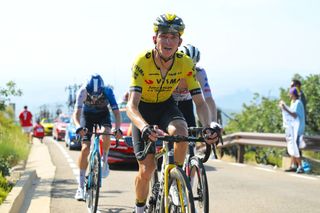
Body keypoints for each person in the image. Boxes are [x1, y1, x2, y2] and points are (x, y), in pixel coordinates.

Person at [126, 13, 220, 213]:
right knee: (147, 169)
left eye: (173, 37)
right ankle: (139, 208)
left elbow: (200, 103)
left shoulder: (185, 63)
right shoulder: (142, 61)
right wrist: (143, 127)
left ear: (179, 42)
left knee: (182, 132)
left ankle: (175, 180)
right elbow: (131, 106)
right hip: (143, 110)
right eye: (164, 36)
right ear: (155, 39)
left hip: (166, 106)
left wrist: (208, 127)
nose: (168, 41)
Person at [73, 74, 123, 201]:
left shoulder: (108, 91)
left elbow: (116, 113)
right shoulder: (83, 91)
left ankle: (104, 160)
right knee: (85, 149)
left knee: (106, 132)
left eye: (97, 96)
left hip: (103, 115)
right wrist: (78, 127)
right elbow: (76, 113)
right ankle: (80, 187)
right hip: (87, 116)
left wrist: (117, 129)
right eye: (92, 96)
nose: (94, 99)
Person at [173, 44, 218, 126]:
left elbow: (208, 98)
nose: (189, 68)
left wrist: (213, 121)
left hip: (187, 103)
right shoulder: (170, 71)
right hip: (169, 103)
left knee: (192, 133)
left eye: (193, 65)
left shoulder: (199, 72)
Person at [279, 87, 305, 173]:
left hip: (298, 129)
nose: (289, 96)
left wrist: (285, 109)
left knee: (295, 148)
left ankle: (300, 167)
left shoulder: (298, 103)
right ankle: (293, 165)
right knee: (293, 147)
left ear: (293, 94)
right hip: (293, 129)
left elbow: (294, 115)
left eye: (290, 94)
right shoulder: (293, 102)